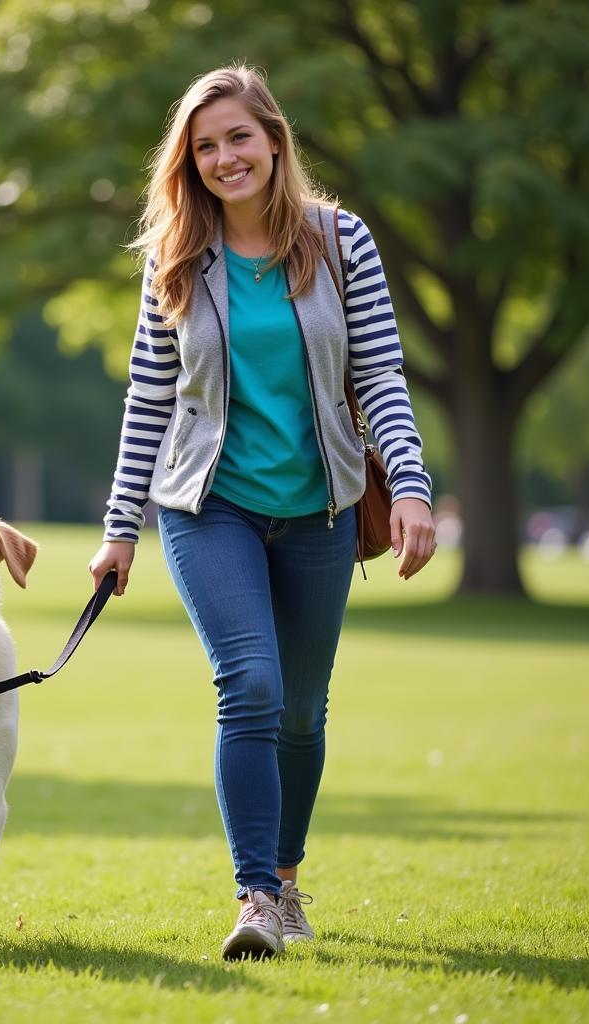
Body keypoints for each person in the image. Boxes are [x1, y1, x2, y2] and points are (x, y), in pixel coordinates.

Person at [88, 65, 436, 961]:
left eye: (238, 137)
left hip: (321, 508)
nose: (222, 158)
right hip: (209, 507)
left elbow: (381, 376)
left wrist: (411, 487)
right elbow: (149, 400)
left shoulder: (342, 240)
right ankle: (253, 898)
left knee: (303, 711)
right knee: (250, 684)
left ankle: (286, 878)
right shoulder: (176, 256)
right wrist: (120, 528)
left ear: (275, 140)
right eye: (204, 147)